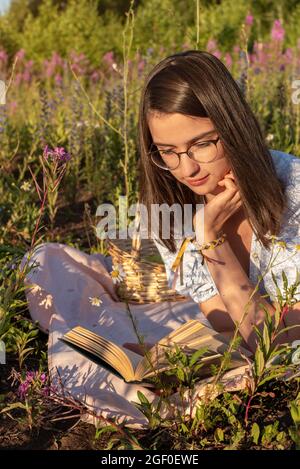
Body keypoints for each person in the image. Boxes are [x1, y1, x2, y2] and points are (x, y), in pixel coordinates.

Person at [20, 50, 300, 429]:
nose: (186, 169)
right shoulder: (176, 207)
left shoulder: (293, 195)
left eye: (202, 144)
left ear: (234, 128)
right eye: (167, 152)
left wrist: (212, 239)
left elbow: (278, 345)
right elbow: (223, 321)